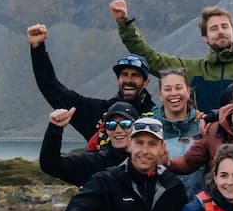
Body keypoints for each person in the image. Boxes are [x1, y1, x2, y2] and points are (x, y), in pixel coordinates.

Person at [111, 0, 233, 116]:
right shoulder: (193, 69)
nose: (220, 32)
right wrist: (124, 23)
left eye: (224, 26)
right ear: (205, 37)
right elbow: (152, 59)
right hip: (204, 141)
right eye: (214, 28)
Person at [28, 23, 156, 146]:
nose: (128, 80)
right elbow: (52, 89)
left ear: (146, 82)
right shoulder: (97, 111)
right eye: (124, 75)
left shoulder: (158, 116)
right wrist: (38, 48)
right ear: (117, 80)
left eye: (135, 75)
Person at [39, 103, 129, 186]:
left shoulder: (141, 160)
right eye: (111, 125)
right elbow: (51, 166)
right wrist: (55, 128)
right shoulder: (95, 162)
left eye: (125, 124)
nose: (118, 130)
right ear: (106, 129)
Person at [156, 69, 206, 193]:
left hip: (201, 207)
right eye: (167, 89)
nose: (174, 93)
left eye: (178, 88)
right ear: (160, 95)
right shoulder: (152, 129)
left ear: (188, 91)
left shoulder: (204, 126)